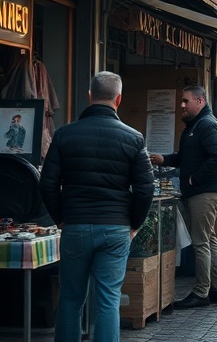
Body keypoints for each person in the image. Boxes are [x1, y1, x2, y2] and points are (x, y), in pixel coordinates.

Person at [39, 71, 153, 342]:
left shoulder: (64, 135)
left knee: (70, 298)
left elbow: (47, 184)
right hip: (115, 228)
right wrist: (134, 224)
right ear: (119, 99)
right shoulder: (134, 138)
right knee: (109, 299)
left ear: (89, 96)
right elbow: (145, 189)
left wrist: (60, 218)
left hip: (75, 225)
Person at [149, 85, 217, 307]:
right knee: (209, 239)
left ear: (200, 101)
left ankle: (201, 292)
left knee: (200, 242)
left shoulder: (206, 125)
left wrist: (195, 178)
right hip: (202, 191)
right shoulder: (195, 126)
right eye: (181, 101)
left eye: (186, 101)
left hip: (204, 192)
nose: (182, 105)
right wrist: (163, 159)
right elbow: (184, 157)